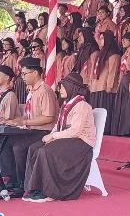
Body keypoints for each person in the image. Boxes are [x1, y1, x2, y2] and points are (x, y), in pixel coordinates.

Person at [23, 73, 95, 203]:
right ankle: (34, 188)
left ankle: (49, 192)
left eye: (63, 87)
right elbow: (58, 125)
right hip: (68, 138)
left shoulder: (81, 105)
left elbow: (76, 131)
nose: (60, 90)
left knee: (46, 151)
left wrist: (53, 136)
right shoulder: (67, 103)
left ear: (71, 88)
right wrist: (52, 135)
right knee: (34, 148)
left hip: (81, 141)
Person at [2, 57, 59, 190]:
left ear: (35, 73)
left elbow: (48, 117)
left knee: (19, 147)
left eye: (24, 74)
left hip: (45, 132)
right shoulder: (33, 91)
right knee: (6, 141)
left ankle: (24, 183)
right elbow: (30, 114)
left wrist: (25, 121)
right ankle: (12, 177)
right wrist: (16, 120)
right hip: (32, 130)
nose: (22, 77)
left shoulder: (45, 91)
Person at [89, 30, 120, 134]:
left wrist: (109, 85)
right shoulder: (100, 53)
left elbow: (113, 72)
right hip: (96, 85)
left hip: (105, 87)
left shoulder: (113, 55)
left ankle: (104, 129)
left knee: (104, 109)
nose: (100, 41)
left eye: (102, 39)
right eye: (100, 38)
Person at [111, 32, 130, 137]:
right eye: (122, 40)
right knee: (121, 104)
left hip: (129, 78)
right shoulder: (124, 55)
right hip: (123, 78)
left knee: (127, 104)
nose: (123, 42)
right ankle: (120, 129)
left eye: (125, 40)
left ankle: (126, 129)